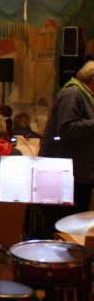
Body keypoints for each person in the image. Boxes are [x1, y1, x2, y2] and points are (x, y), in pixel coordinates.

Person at [40, 61, 94, 219]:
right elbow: (67, 128)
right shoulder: (72, 94)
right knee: (69, 220)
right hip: (69, 174)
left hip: (80, 172)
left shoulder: (84, 96)